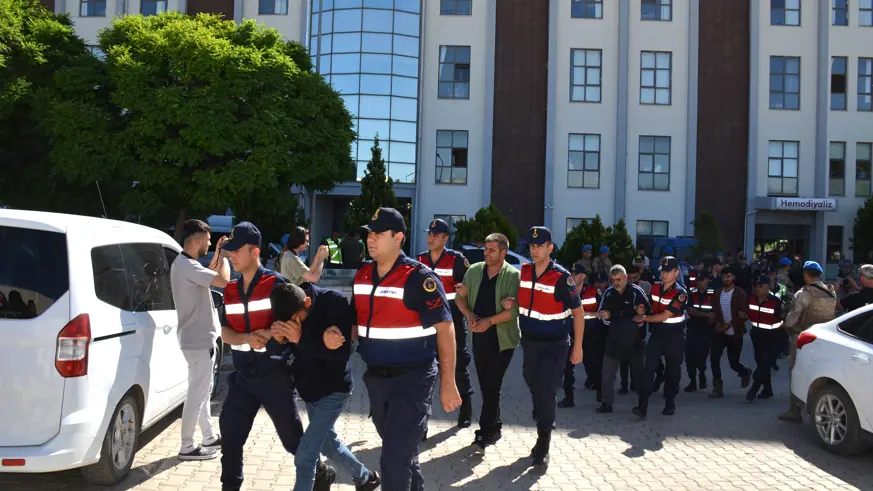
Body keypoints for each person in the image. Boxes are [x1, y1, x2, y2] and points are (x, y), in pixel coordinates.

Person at [217, 222, 334, 491]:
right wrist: (245, 338)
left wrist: (271, 333)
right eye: (229, 250)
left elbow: (300, 320)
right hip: (244, 377)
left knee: (293, 441)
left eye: (236, 250)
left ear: (254, 251)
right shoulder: (231, 290)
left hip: (275, 378)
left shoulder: (276, 285)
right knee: (231, 436)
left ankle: (321, 474)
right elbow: (223, 331)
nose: (231, 255)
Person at [352, 207, 461, 491]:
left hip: (414, 379)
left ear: (398, 237)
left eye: (378, 234)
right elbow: (354, 321)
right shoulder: (363, 275)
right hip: (376, 380)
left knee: (393, 460)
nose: (371, 239)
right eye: (369, 234)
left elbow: (445, 329)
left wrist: (448, 383)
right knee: (402, 453)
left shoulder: (418, 278)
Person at [269, 283, 381, 491]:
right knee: (329, 445)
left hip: (334, 389)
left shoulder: (334, 303)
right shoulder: (285, 305)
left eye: (297, 319)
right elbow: (278, 350)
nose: (294, 324)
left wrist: (301, 339)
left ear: (308, 302)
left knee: (305, 456)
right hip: (308, 390)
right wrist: (278, 340)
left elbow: (340, 355)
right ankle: (366, 478)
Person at [517, 226, 584, 467]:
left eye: (539, 246)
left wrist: (578, 347)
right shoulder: (524, 272)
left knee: (546, 391)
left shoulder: (561, 277)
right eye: (532, 246)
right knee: (531, 380)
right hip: (530, 342)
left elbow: (578, 312)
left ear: (550, 248)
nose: (534, 250)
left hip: (554, 345)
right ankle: (542, 415)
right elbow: (523, 299)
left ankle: (543, 443)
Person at [169, 219, 231, 460]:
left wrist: (217, 252)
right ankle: (187, 446)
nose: (208, 242)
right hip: (198, 341)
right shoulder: (186, 266)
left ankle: (208, 436)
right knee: (197, 394)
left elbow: (211, 273)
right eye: (207, 239)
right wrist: (224, 257)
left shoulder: (187, 264)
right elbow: (222, 280)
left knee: (203, 391)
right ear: (196, 241)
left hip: (198, 340)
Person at [454, 233, 520, 453]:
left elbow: (515, 311)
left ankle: (483, 433)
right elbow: (459, 297)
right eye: (486, 249)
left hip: (503, 340)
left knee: (492, 384)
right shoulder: (474, 271)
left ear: (503, 252)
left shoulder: (513, 275)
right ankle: (496, 426)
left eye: (492, 250)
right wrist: (470, 315)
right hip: (479, 336)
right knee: (487, 385)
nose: (486, 253)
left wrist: (489, 322)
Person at [416, 219, 473, 428]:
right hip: (427, 326)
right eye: (429, 234)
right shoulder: (420, 259)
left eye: (435, 235)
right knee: (425, 373)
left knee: (458, 368)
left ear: (445, 238)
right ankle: (422, 422)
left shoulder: (456, 260)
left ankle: (465, 410)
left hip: (452, 324)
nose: (430, 238)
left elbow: (467, 288)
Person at [778, 261, 837, 423]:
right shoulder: (831, 292)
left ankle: (794, 411)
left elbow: (792, 319)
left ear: (806, 275)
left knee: (795, 371)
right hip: (824, 339)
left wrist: (786, 327)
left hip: (802, 338)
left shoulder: (803, 293)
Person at [633, 257, 688, 417]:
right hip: (657, 334)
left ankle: (669, 404)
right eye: (662, 271)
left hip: (674, 337)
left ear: (676, 272)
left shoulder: (681, 293)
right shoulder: (656, 287)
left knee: (673, 372)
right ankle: (642, 406)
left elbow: (664, 315)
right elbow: (650, 307)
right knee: (648, 368)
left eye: (668, 271)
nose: (664, 274)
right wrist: (642, 309)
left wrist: (643, 318)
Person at [597, 265, 648, 414]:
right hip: (614, 340)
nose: (616, 283)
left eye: (619, 280)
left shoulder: (636, 292)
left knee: (639, 374)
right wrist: (606, 316)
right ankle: (606, 403)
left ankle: (642, 405)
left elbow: (646, 314)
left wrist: (641, 313)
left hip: (634, 341)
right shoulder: (608, 293)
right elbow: (603, 316)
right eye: (613, 280)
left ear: (626, 278)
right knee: (607, 373)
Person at [559, 263, 600, 408]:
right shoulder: (565, 291)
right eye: (571, 273)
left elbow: (602, 312)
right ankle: (569, 398)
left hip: (590, 334)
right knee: (567, 367)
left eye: (575, 274)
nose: (572, 276)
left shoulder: (594, 292)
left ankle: (601, 395)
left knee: (593, 364)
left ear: (583, 276)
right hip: (569, 333)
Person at [708, 266, 752, 399]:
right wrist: (716, 323)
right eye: (724, 276)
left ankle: (744, 372)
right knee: (714, 357)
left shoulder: (740, 294)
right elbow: (715, 310)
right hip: (720, 332)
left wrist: (730, 324)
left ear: (733, 278)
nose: (726, 279)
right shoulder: (718, 292)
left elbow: (744, 315)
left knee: (734, 363)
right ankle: (717, 386)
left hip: (735, 332)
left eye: (729, 276)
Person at [744, 275, 784, 403]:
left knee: (764, 363)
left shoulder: (775, 302)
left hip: (774, 336)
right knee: (761, 362)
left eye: (761, 286)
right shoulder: (751, 299)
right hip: (757, 336)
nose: (757, 288)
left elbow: (784, 318)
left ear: (768, 287)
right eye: (756, 286)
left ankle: (754, 389)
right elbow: (746, 313)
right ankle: (768, 390)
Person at [684, 274, 715, 393]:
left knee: (701, 356)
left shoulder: (714, 293)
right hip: (693, 327)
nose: (699, 282)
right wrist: (707, 315)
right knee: (689, 356)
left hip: (707, 329)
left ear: (707, 280)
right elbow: (690, 310)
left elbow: (717, 309)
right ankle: (692, 381)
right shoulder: (691, 293)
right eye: (698, 280)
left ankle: (702, 374)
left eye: (702, 280)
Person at [582, 273, 609, 396]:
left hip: (599, 332)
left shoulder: (608, 293)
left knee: (598, 360)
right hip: (586, 331)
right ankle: (592, 378)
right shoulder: (590, 291)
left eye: (602, 281)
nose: (599, 284)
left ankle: (600, 386)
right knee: (588, 359)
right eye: (597, 282)